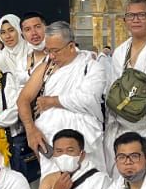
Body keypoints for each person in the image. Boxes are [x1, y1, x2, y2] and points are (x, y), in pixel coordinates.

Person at [17, 21, 106, 175]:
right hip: (50, 139)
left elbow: (88, 99)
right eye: (48, 50)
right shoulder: (46, 67)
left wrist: (52, 101)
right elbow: (23, 100)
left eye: (56, 51)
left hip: (85, 140)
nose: (51, 56)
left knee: (90, 183)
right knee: (53, 185)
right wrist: (31, 130)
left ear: (71, 46)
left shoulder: (91, 67)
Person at [103, 0, 146, 157]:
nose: (135, 20)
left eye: (141, 15)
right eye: (130, 16)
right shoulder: (121, 51)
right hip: (122, 127)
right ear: (125, 20)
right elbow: (114, 88)